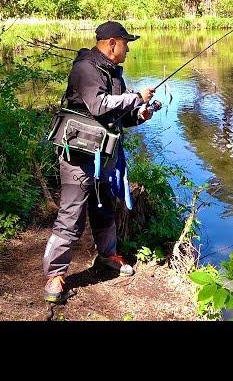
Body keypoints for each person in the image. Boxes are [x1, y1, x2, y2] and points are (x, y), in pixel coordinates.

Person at [42, 21, 156, 303]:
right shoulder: (85, 68)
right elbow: (98, 105)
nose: (128, 49)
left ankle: (107, 256)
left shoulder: (114, 73)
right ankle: (55, 275)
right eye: (126, 43)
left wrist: (138, 115)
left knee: (104, 208)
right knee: (71, 215)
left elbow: (117, 115)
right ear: (112, 43)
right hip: (78, 156)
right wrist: (134, 98)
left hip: (104, 155)